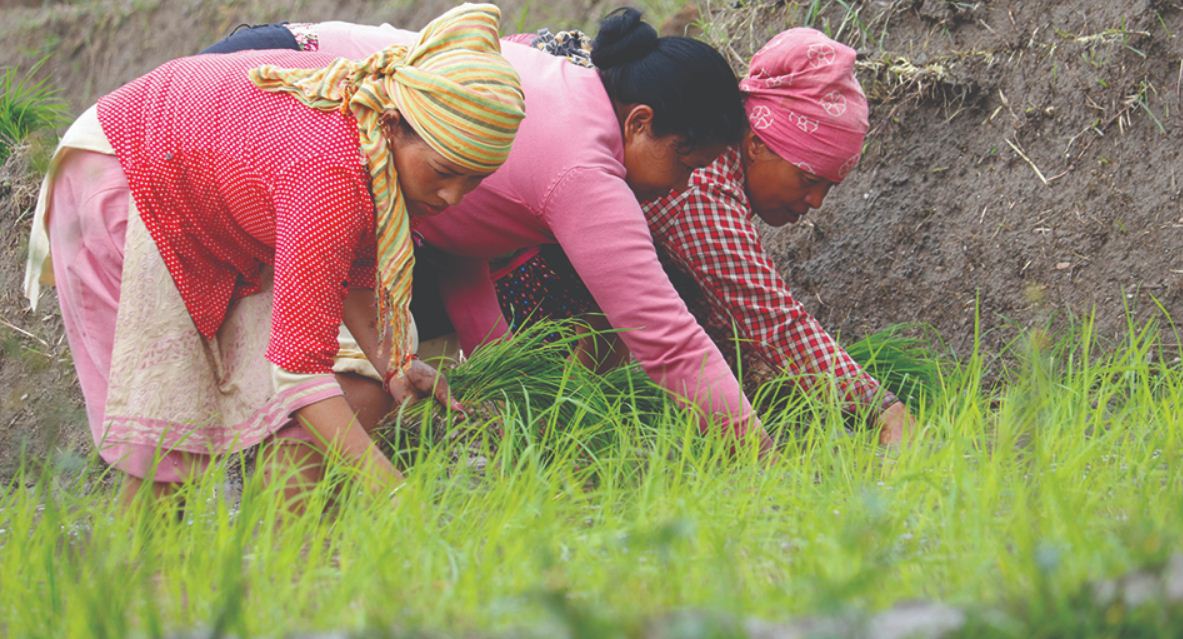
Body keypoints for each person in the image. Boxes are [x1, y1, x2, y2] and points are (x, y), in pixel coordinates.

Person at [21, 3, 526, 503]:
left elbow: (353, 275)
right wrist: (393, 493)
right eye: (443, 172)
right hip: (126, 170)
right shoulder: (331, 173)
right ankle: (146, 558)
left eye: (475, 179)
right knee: (168, 439)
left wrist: (396, 365)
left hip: (214, 191)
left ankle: (273, 551)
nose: (453, 197)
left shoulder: (377, 151)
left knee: (331, 392)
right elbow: (299, 368)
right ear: (393, 124)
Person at [215, 9, 779, 453]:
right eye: (686, 163)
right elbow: (667, 339)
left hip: (277, 65)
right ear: (641, 122)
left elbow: (459, 236)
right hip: (277, 85)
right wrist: (761, 454)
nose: (681, 186)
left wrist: (506, 380)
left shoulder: (572, 93)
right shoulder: (585, 170)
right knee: (330, 376)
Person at [491, 27, 916, 443]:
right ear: (757, 145)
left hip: (503, 194)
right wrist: (880, 407)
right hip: (490, 221)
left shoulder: (696, 131)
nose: (816, 201)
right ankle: (548, 422)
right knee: (626, 307)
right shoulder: (696, 182)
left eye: (828, 188)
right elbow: (769, 322)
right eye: (808, 179)